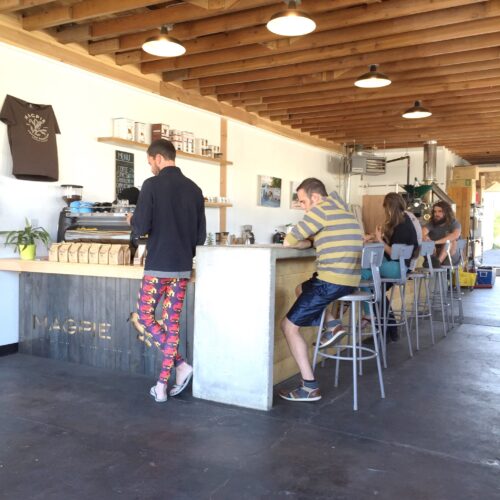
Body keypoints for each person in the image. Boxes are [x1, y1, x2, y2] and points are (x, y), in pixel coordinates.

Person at [128, 139, 206, 403]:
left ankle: (179, 368)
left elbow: (140, 227)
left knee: (145, 315)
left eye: (150, 162)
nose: (150, 167)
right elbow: (201, 236)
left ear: (158, 158)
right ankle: (164, 383)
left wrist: (132, 220)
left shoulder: (151, 185)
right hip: (183, 267)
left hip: (158, 265)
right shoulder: (195, 190)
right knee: (171, 323)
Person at [279, 178, 364, 402]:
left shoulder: (321, 210)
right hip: (349, 279)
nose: (304, 207)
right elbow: (312, 242)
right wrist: (306, 241)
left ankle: (309, 386)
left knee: (288, 327)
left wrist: (297, 240)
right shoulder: (344, 211)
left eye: (303, 201)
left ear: (315, 197)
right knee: (301, 288)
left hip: (330, 281)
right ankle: (333, 324)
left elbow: (289, 240)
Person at [362, 192, 419, 340]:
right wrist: (375, 237)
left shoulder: (402, 226)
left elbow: (394, 253)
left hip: (397, 267)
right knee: (374, 285)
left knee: (361, 275)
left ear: (389, 208)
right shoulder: (404, 221)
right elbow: (392, 240)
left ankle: (369, 314)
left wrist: (380, 241)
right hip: (401, 266)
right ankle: (389, 331)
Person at [422, 201, 461, 266]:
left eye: (440, 211)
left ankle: (438, 262)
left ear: (446, 212)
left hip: (451, 255)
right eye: (435, 211)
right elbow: (422, 232)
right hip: (436, 253)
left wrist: (434, 242)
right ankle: (432, 261)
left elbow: (455, 235)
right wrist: (427, 239)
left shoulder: (454, 223)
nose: (436, 214)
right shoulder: (431, 223)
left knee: (450, 241)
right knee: (425, 238)